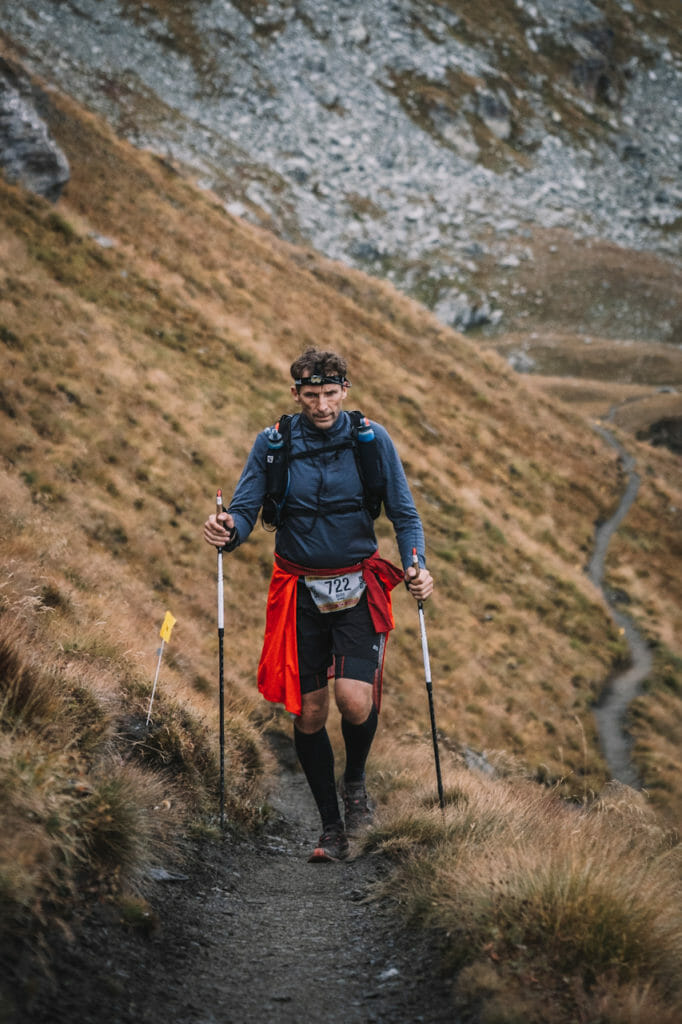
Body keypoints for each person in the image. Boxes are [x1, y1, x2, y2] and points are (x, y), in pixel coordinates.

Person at [203, 348, 433, 862]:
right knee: (309, 713)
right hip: (298, 591)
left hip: (357, 585)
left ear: (346, 390)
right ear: (296, 395)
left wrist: (416, 564)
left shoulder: (372, 442)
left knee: (355, 700)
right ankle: (331, 828)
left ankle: (355, 784)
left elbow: (404, 513)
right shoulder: (274, 444)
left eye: (331, 394)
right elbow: (243, 512)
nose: (322, 405)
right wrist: (226, 530)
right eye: (311, 395)